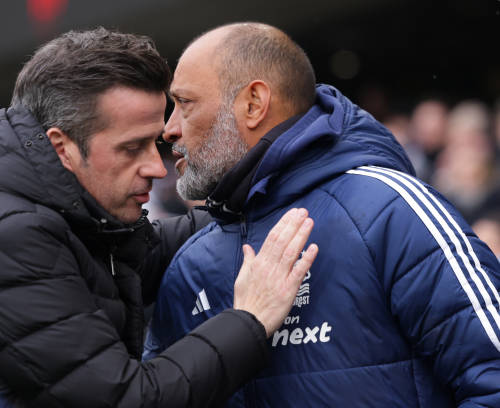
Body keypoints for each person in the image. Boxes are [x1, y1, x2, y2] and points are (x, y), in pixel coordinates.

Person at [0, 28, 318, 407]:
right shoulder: (9, 235)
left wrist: (266, 201)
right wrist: (250, 320)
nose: (156, 167)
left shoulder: (57, 208)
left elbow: (158, 248)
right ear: (61, 147)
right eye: (132, 148)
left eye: (154, 143)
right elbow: (128, 399)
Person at [144, 22, 500, 407]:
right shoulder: (190, 263)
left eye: (185, 103)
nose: (169, 130)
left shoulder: (390, 209)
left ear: (254, 103)